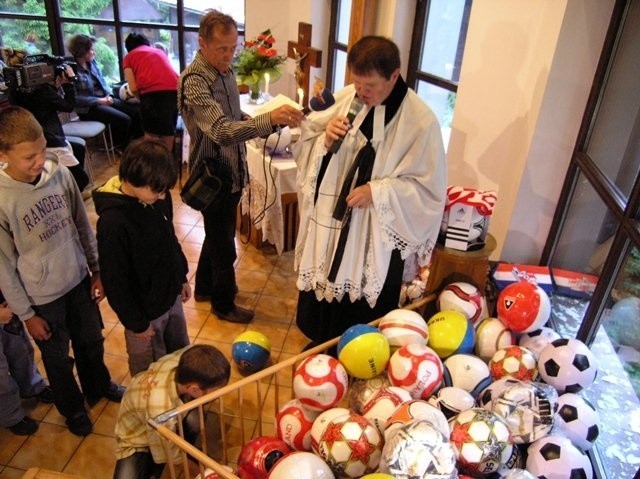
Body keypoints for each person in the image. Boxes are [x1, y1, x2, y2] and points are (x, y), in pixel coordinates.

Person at [293, 36, 447, 346]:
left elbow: (428, 191)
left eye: (371, 86)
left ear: (394, 75)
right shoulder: (350, 96)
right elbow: (307, 136)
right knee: (323, 304)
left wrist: (377, 191)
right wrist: (325, 139)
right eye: (358, 83)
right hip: (333, 224)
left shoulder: (421, 121)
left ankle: (357, 350)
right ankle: (322, 344)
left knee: (361, 325)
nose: (362, 93)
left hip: (374, 230)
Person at [0, 106, 125, 437]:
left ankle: (99, 385)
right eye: (28, 157)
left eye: (41, 150)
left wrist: (96, 269)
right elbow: (4, 267)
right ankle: (72, 409)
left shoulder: (60, 174)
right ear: (3, 154)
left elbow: (82, 224)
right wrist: (27, 314)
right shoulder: (2, 199)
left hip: (78, 280)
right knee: (56, 359)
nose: (39, 160)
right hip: (42, 298)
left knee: (91, 341)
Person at [178, 9, 304, 324]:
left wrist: (259, 121)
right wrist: (268, 120)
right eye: (222, 48)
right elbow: (220, 131)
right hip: (213, 176)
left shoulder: (225, 70)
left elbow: (233, 120)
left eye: (233, 47)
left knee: (217, 234)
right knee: (225, 246)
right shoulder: (195, 80)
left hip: (232, 172)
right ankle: (223, 303)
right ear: (202, 43)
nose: (229, 55)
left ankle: (206, 288)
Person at [93, 138, 191, 376]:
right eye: (156, 191)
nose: (162, 197)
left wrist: (181, 277)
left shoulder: (157, 196)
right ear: (131, 179)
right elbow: (115, 281)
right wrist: (137, 323)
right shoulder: (113, 223)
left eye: (164, 190)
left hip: (170, 297)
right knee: (149, 372)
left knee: (179, 357)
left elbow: (170, 239)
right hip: (144, 315)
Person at [113, 344, 231, 479]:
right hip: (136, 438)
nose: (219, 395)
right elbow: (175, 457)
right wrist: (205, 474)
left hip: (159, 419)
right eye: (216, 392)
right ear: (194, 390)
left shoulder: (183, 359)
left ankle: (174, 446)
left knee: (194, 421)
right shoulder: (161, 411)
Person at [3, 47, 91, 193]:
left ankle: (66, 186)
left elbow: (42, 104)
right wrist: (69, 84)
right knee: (82, 179)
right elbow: (68, 106)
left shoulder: (13, 91)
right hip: (50, 139)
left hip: (36, 135)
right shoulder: (42, 90)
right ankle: (71, 193)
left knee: (79, 148)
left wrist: (55, 87)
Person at [68, 34, 143, 149]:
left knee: (136, 111)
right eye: (91, 50)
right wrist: (100, 100)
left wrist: (109, 95)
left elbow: (102, 81)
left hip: (105, 99)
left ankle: (136, 144)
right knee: (124, 120)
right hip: (89, 108)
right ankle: (122, 146)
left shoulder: (92, 63)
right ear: (83, 52)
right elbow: (75, 99)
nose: (94, 52)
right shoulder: (71, 70)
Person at [1, 289, 55, 435]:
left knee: (21, 353)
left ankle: (33, 386)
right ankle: (11, 416)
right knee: (1, 378)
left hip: (6, 307)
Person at [123, 33, 179, 151]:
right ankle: (167, 162)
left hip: (151, 95)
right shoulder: (159, 52)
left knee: (151, 134)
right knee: (168, 132)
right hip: (174, 92)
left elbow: (133, 88)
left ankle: (153, 164)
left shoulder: (129, 57)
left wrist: (140, 99)